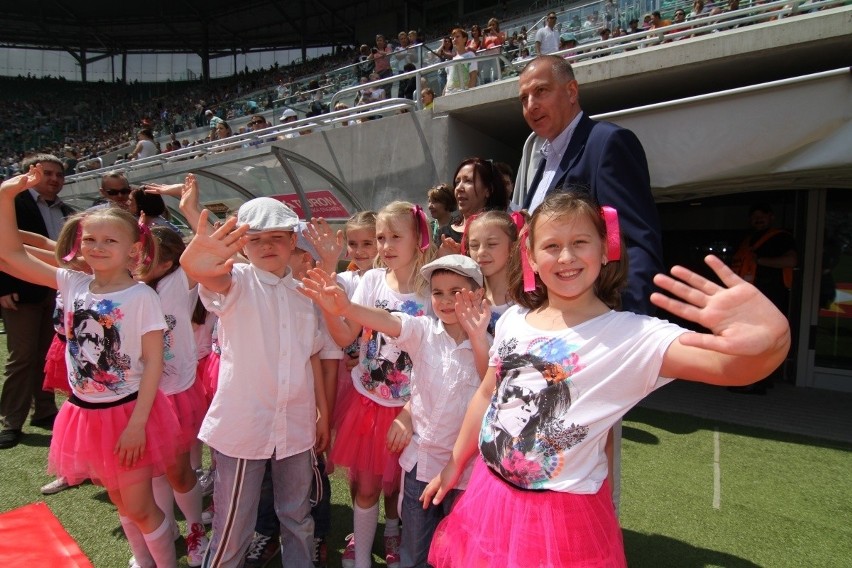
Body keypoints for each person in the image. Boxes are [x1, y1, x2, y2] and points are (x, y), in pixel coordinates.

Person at [422, 191, 791, 567]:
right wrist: (455, 463)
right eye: (551, 245)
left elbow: (738, 368)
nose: (566, 257)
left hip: (562, 517)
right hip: (490, 493)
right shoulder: (515, 318)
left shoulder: (631, 337)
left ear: (605, 249)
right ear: (530, 256)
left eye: (580, 242)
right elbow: (488, 394)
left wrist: (774, 338)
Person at [0, 167, 181, 568]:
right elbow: (9, 255)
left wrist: (137, 423)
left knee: (140, 505)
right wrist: (5, 196)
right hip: (85, 413)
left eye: (110, 240)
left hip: (127, 413)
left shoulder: (140, 297)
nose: (97, 247)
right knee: (121, 499)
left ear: (134, 249)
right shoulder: (74, 283)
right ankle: (144, 561)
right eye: (91, 240)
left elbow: (153, 363)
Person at [300, 254, 491, 568]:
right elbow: (390, 321)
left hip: (467, 471)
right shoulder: (424, 331)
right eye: (438, 292)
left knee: (458, 552)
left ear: (478, 294)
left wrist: (478, 337)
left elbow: (490, 385)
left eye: (455, 291)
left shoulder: (492, 343)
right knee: (415, 551)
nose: (444, 300)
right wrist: (346, 308)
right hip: (422, 464)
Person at [180, 197, 330, 567]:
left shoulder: (304, 292)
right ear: (242, 244)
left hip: (294, 424)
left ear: (293, 241)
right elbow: (210, 276)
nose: (267, 245)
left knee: (298, 516)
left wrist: (321, 413)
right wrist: (195, 263)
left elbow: (311, 357)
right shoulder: (239, 280)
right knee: (234, 524)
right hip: (244, 426)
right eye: (257, 237)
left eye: (277, 237)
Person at [318, 201, 433, 568]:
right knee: (366, 487)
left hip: (412, 408)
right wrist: (329, 308)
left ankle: (393, 533)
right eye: (381, 237)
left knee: (400, 487)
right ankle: (362, 554)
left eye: (395, 236)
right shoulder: (369, 281)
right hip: (367, 402)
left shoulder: (432, 289)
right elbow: (347, 334)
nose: (385, 245)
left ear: (419, 238)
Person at [519, 55, 663, 316]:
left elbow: (636, 244)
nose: (531, 105)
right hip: (553, 319)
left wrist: (627, 322)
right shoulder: (544, 160)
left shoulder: (607, 143)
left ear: (571, 91)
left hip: (601, 324)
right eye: (524, 98)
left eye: (541, 91)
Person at [141, 227, 210, 566]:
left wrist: (190, 207)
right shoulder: (131, 285)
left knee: (179, 471)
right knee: (153, 471)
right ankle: (166, 528)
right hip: (139, 396)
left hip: (174, 391)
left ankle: (196, 529)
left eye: (145, 253)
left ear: (168, 261)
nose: (135, 259)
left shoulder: (179, 280)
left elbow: (204, 247)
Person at [0, 154, 73, 450]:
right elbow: (8, 247)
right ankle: (11, 421)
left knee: (47, 353)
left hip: (56, 292)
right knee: (22, 356)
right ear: (31, 174)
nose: (55, 179)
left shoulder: (65, 209)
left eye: (59, 174)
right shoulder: (14, 204)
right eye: (48, 173)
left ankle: (44, 410)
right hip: (21, 290)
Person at [730, 203, 797, 393]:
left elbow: (791, 261)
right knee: (747, 339)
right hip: (746, 299)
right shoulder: (748, 240)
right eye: (754, 216)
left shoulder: (781, 238)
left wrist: (759, 261)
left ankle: (758, 381)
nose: (757, 219)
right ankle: (750, 378)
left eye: (762, 215)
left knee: (763, 340)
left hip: (770, 298)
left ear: (771, 217)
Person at [464, 211, 524, 333]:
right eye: (474, 246)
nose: (481, 252)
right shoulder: (468, 296)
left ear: (513, 247)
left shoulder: (526, 298)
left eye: (491, 244)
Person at [437, 157, 508, 249]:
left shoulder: (504, 231)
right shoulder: (444, 234)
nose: (459, 188)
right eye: (457, 182)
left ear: (488, 190)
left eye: (468, 181)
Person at [443, 28, 478, 96]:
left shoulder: (470, 55)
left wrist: (468, 94)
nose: (454, 40)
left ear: (465, 39)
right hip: (449, 95)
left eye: (457, 37)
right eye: (453, 38)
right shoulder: (452, 60)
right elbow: (448, 81)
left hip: (462, 94)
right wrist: (443, 96)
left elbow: (473, 76)